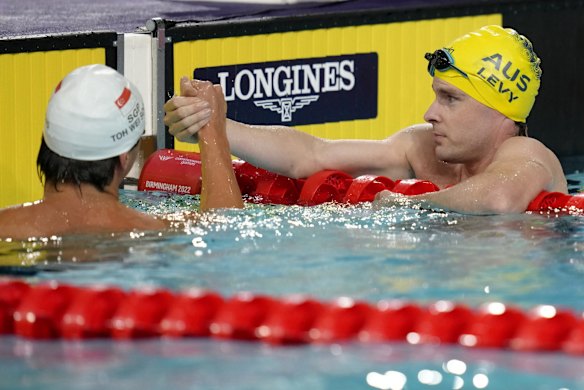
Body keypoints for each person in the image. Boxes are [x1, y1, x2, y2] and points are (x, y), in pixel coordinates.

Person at [163, 25, 567, 214]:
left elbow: (499, 198)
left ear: (500, 111)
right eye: (435, 96)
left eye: (451, 99)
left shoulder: (528, 153)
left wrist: (405, 204)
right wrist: (215, 124)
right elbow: (312, 155)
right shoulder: (422, 147)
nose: (431, 113)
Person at [0, 64, 242, 240]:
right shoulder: (151, 236)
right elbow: (225, 235)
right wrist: (213, 130)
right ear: (125, 158)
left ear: (46, 141)